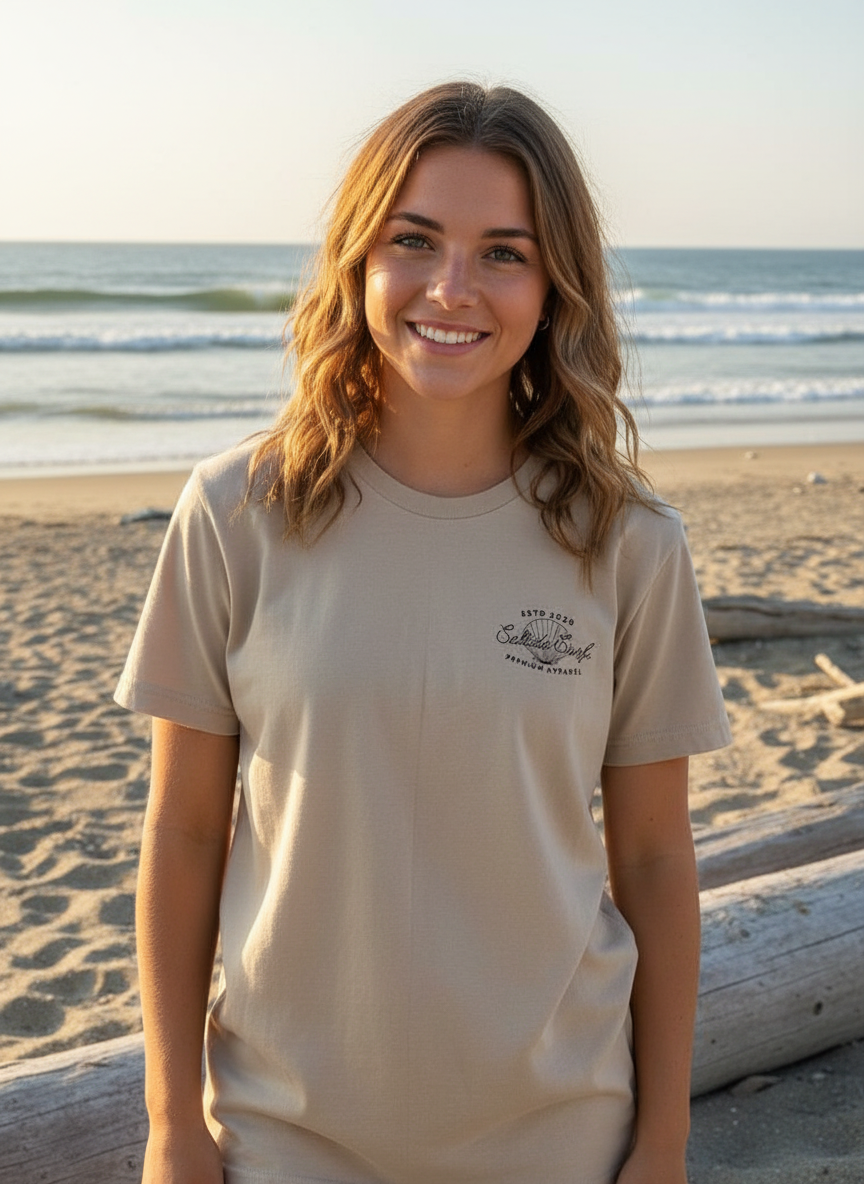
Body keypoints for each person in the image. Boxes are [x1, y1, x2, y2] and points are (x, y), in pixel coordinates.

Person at [116, 81, 731, 1184]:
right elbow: (187, 835)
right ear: (359, 260)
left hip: (561, 1134)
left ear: (556, 287)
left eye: (505, 252)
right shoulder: (233, 515)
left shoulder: (630, 544)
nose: (453, 288)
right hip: (286, 1137)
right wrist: (173, 1126)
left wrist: (666, 1140)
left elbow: (652, 855)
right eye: (415, 239)